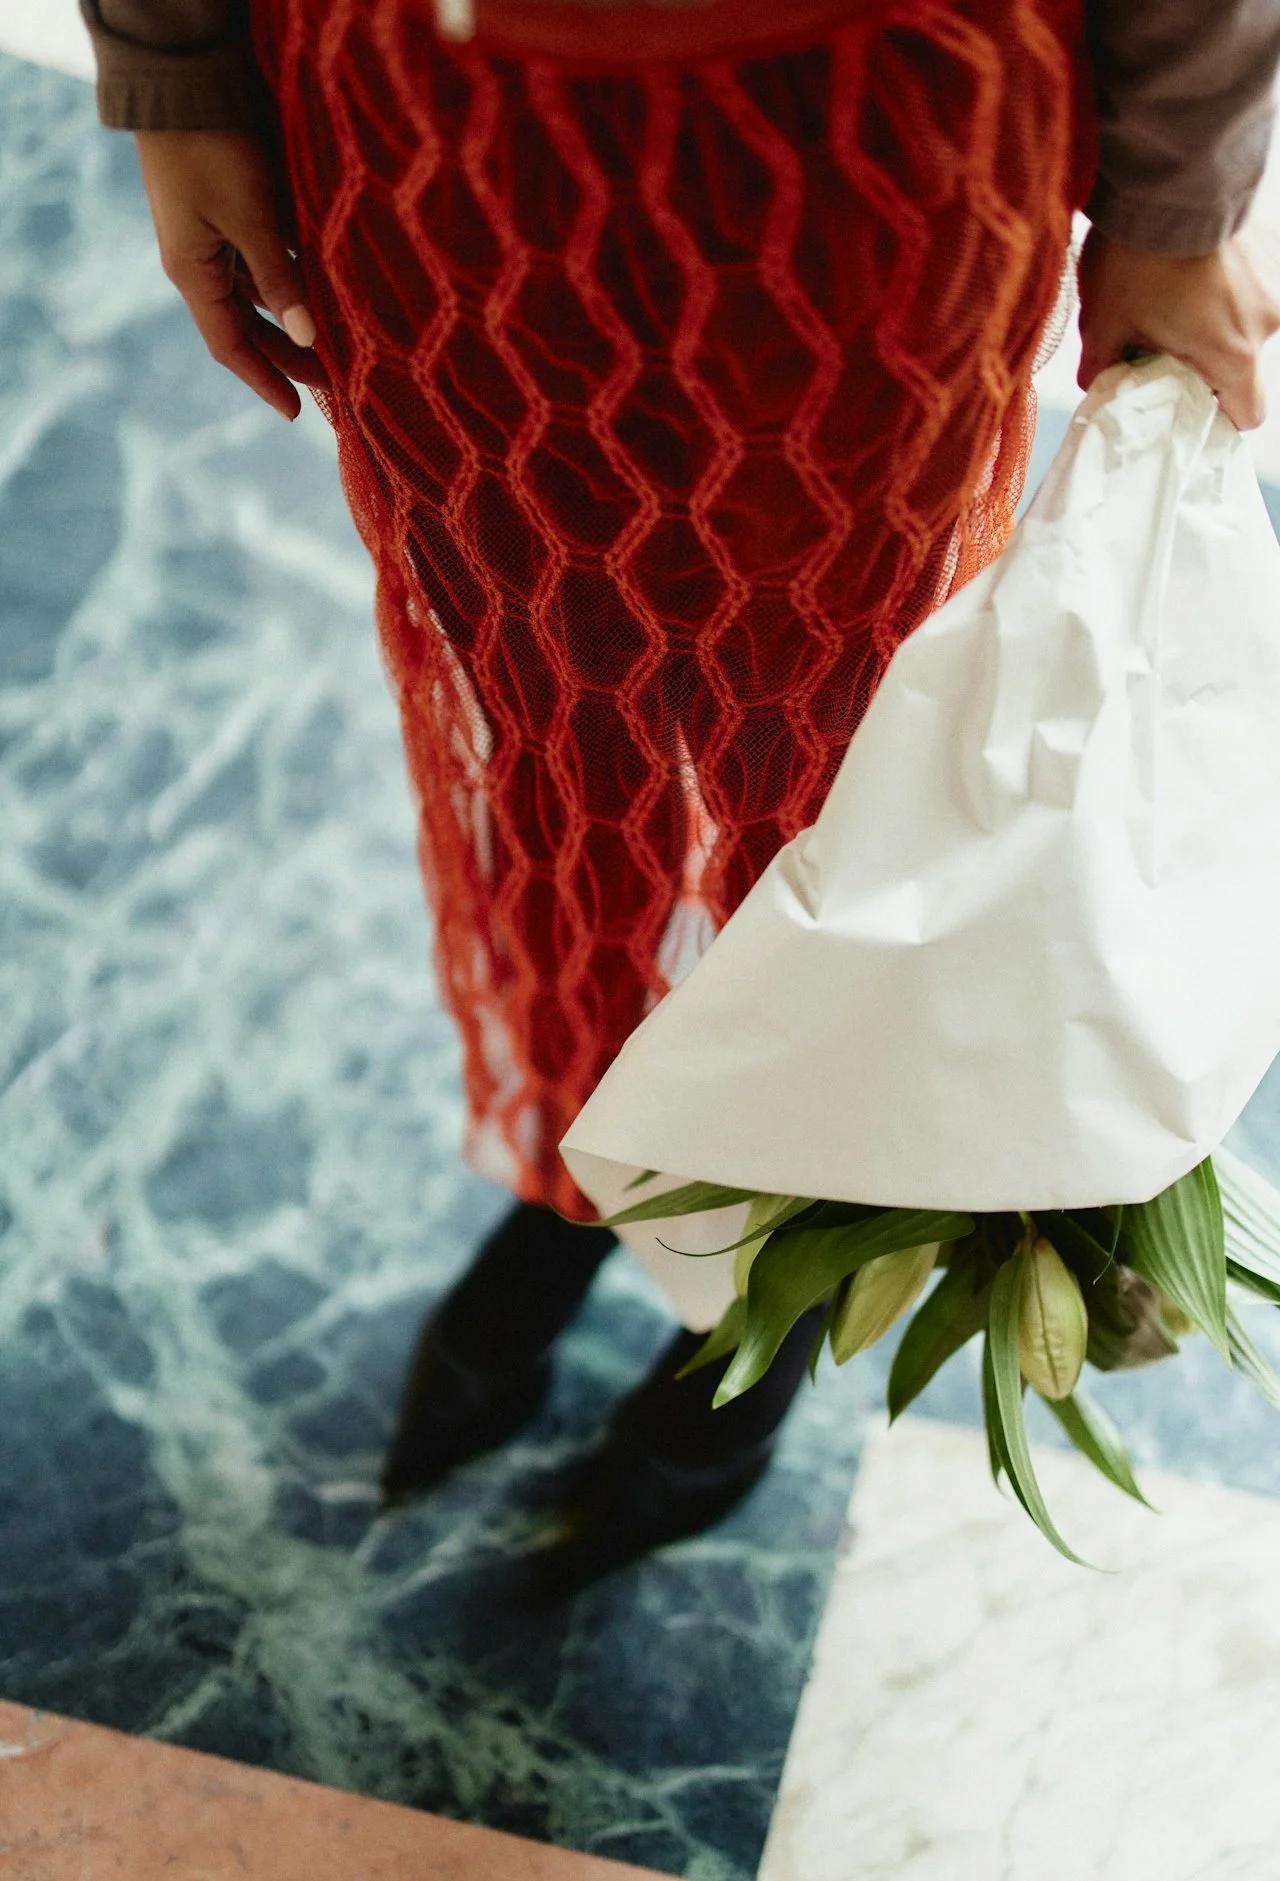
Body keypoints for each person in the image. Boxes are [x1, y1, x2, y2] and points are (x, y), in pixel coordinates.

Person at [83, 0, 1280, 1581]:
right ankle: (582, 1171)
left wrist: (1178, 192)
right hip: (430, 119)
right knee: (549, 728)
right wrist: (177, 64)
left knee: (843, 766)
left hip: (869, 128)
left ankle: (784, 1256)